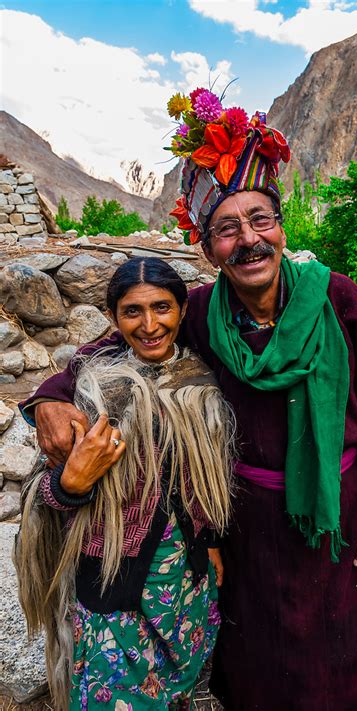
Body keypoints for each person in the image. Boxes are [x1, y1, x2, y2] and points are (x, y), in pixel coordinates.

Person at [21, 89, 357, 710]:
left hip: (336, 517)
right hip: (247, 523)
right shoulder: (202, 314)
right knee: (258, 654)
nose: (249, 240)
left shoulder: (341, 302)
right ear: (207, 248)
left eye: (262, 220)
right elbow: (116, 344)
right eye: (228, 229)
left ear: (281, 227)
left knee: (342, 649)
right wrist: (48, 396)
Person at [15, 257, 235, 711]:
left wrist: (211, 541)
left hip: (185, 580)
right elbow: (45, 491)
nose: (150, 324)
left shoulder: (204, 381)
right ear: (113, 318)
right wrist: (72, 484)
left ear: (182, 311)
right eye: (133, 311)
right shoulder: (93, 388)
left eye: (162, 308)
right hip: (113, 580)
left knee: (179, 683)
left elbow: (207, 483)